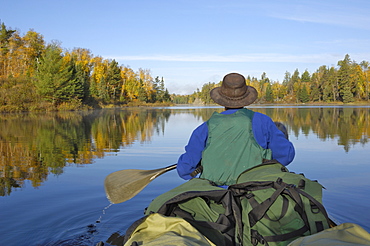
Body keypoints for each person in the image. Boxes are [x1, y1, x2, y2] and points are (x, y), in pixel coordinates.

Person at [177, 72, 295, 186]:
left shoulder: (204, 129)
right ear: (246, 98)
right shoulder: (264, 122)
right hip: (255, 191)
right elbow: (286, 155)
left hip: (215, 193)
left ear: (221, 100)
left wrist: (200, 163)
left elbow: (185, 170)